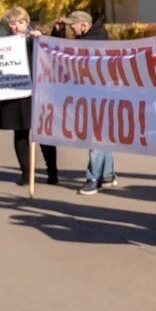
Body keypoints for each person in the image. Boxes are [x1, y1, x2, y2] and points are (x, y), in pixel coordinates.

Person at [0, 7, 58, 186]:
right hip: (15, 93)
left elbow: (52, 52)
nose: (16, 26)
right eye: (12, 23)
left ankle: (52, 171)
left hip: (37, 92)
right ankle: (26, 173)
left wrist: (41, 37)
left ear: (27, 22)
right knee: (20, 134)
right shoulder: (3, 44)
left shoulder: (35, 40)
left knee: (43, 134)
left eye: (20, 22)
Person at [57, 10, 117, 195]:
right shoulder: (91, 37)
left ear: (83, 25)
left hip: (98, 96)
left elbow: (67, 52)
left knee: (95, 137)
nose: (71, 30)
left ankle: (92, 179)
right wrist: (58, 33)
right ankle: (107, 175)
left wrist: (57, 36)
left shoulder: (94, 41)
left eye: (72, 26)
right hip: (96, 95)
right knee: (101, 136)